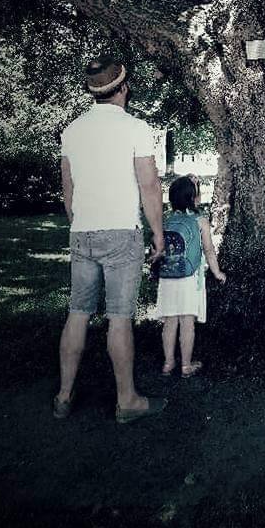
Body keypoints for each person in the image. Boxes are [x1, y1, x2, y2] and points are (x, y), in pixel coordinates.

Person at [54, 57, 167, 424]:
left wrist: (78, 222)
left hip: (82, 231)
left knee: (78, 313)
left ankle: (64, 395)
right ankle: (127, 401)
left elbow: (67, 191)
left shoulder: (72, 130)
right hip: (122, 233)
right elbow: (149, 186)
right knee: (119, 319)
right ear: (123, 87)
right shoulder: (136, 128)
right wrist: (158, 234)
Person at [153, 174, 226, 376]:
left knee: (170, 321)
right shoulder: (200, 221)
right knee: (187, 322)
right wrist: (217, 272)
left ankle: (168, 363)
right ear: (194, 198)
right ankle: (186, 365)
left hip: (168, 276)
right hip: (189, 277)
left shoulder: (167, 221)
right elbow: (209, 250)